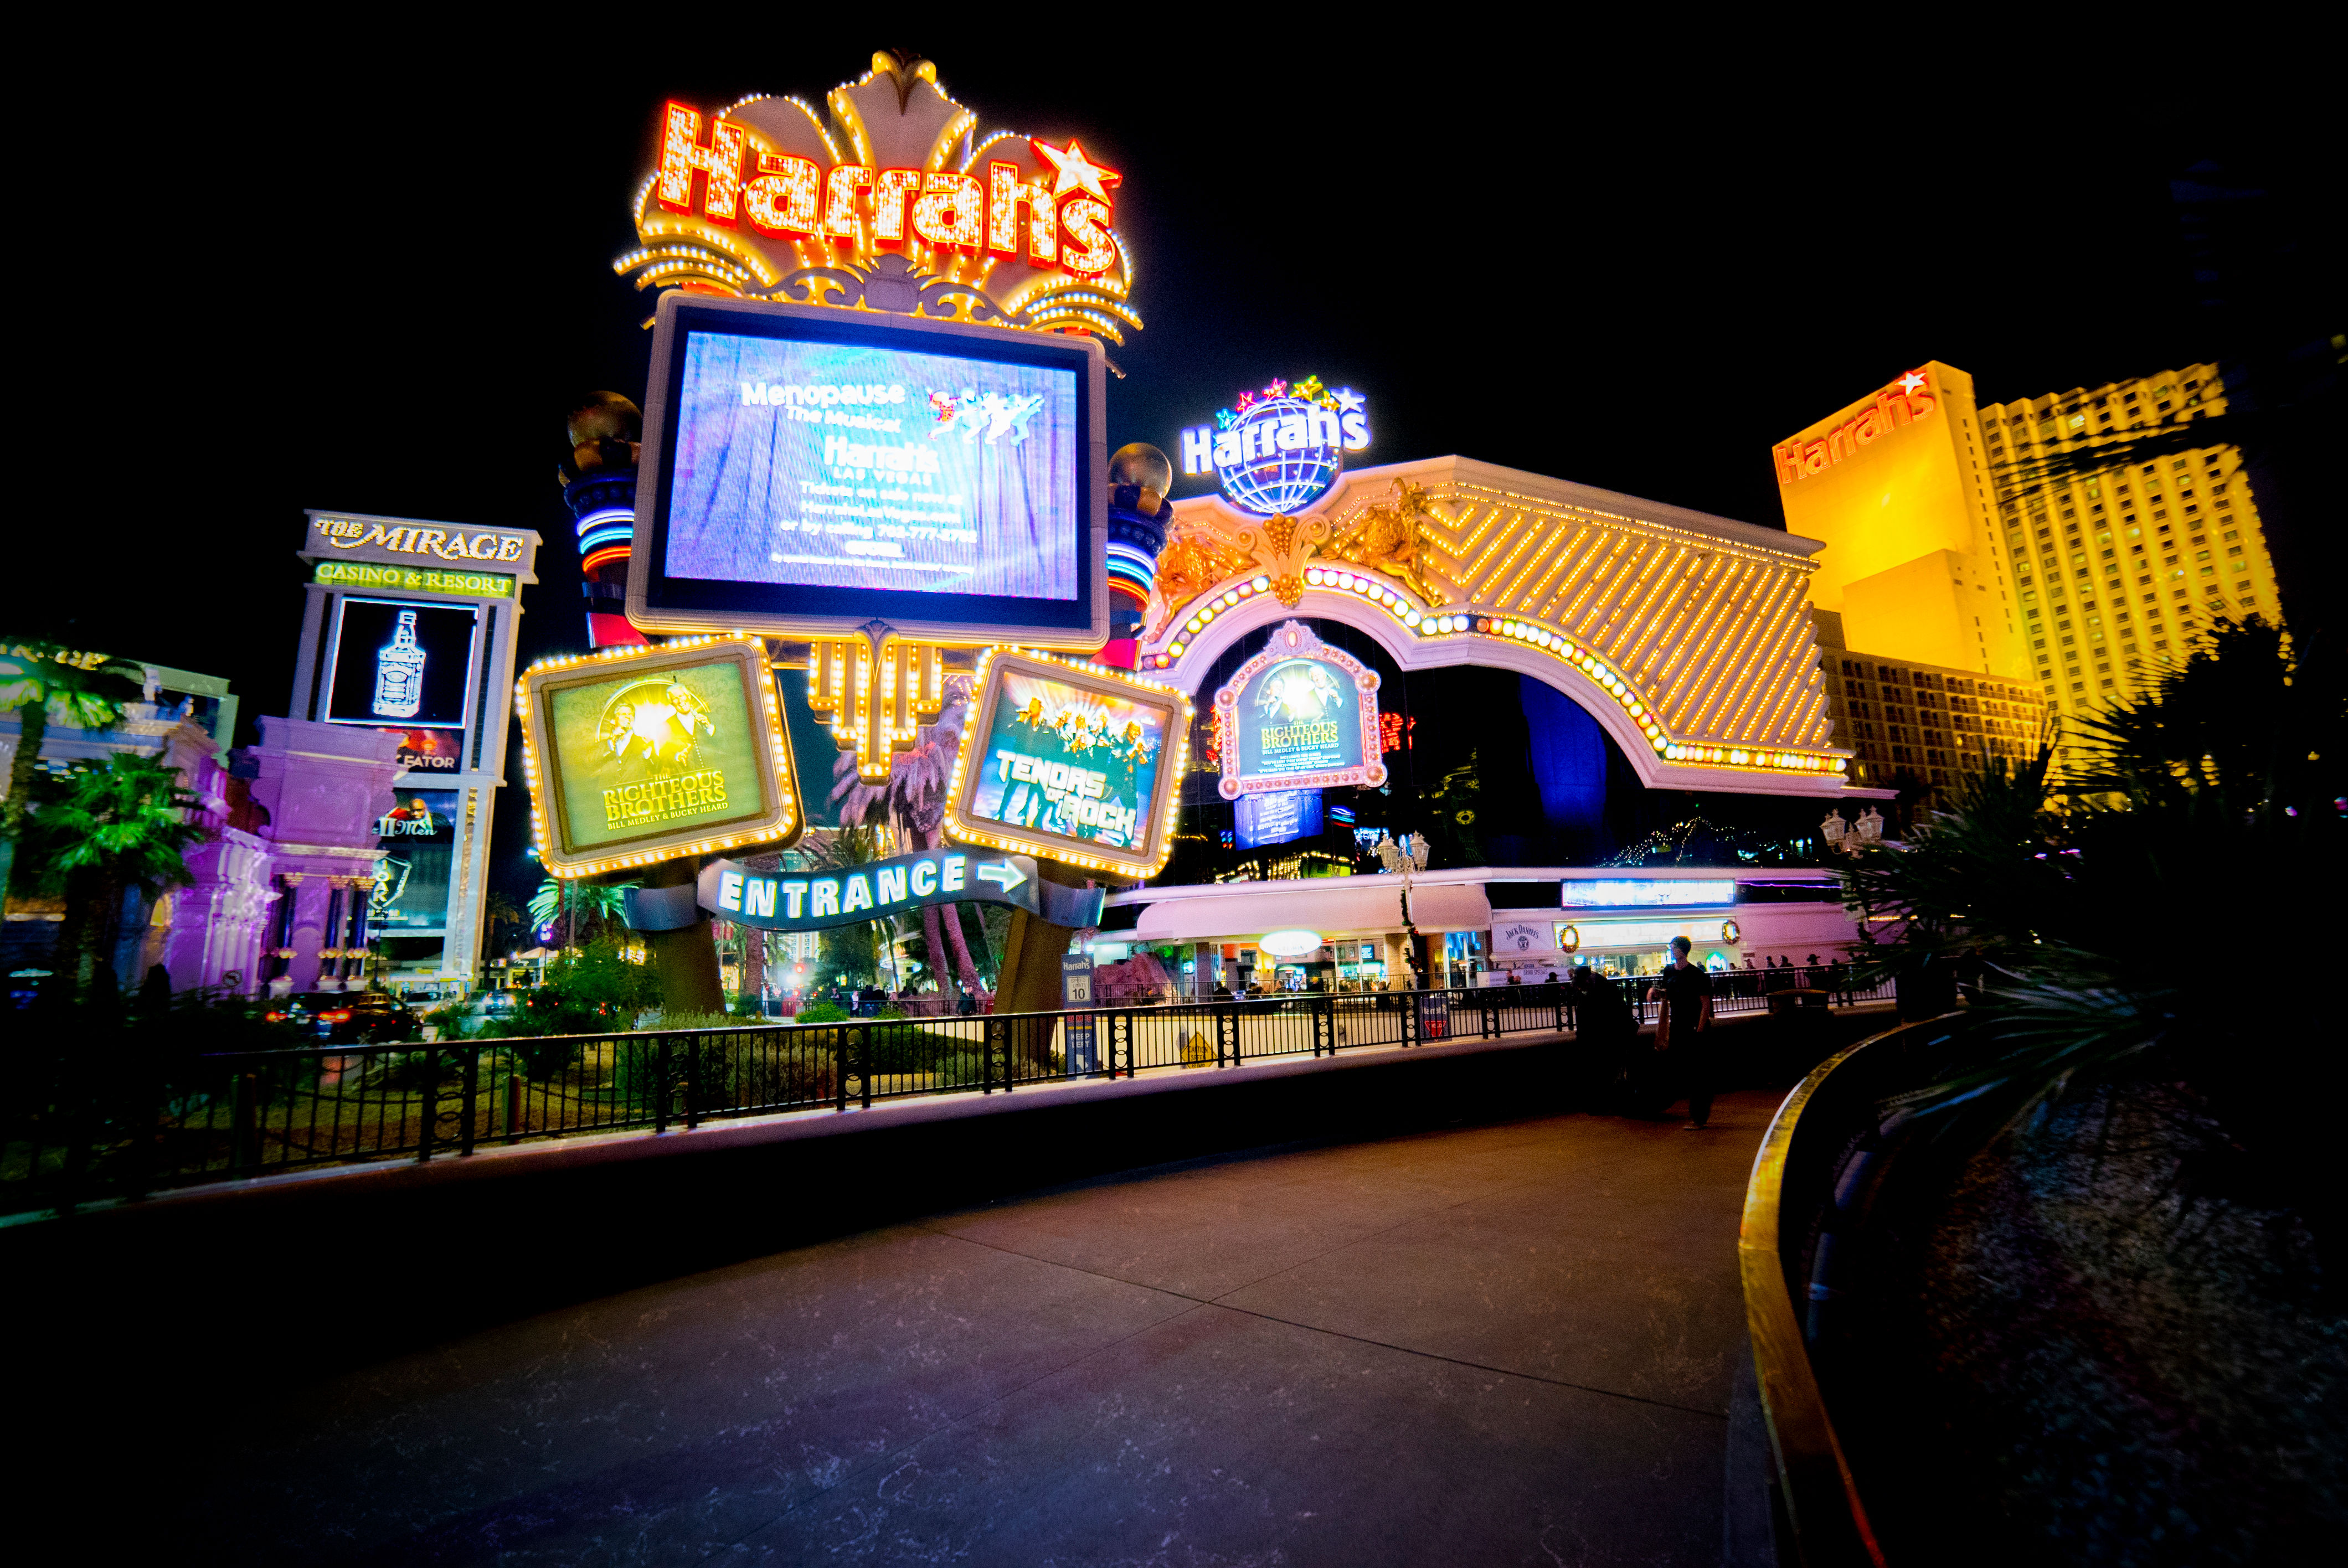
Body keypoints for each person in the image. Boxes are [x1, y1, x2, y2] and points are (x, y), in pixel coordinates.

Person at [1648, 935, 1717, 1128]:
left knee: (1697, 1073)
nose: (1672, 950)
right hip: (1677, 1026)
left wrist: (1700, 1031)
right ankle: (1695, 1112)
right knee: (1686, 1070)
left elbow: (1705, 1005)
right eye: (1671, 947)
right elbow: (1667, 993)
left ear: (1683, 950)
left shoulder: (1697, 975)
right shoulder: (1669, 970)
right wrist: (1653, 991)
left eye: (1674, 947)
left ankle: (1699, 1117)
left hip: (1694, 1027)